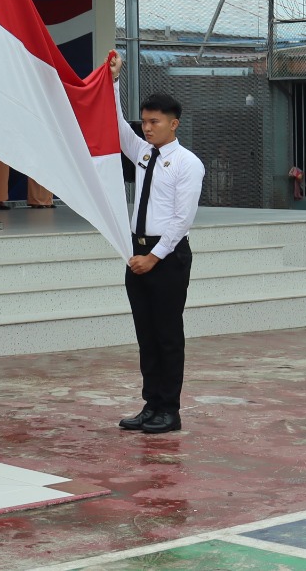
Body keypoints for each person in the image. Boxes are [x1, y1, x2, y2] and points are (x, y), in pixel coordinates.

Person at [109, 52, 205, 435]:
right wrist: (113, 81)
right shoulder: (144, 154)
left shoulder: (187, 163)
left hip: (166, 256)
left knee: (167, 335)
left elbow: (182, 220)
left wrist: (153, 257)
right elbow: (116, 129)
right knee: (145, 335)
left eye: (154, 122)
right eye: (145, 121)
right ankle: (151, 405)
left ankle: (170, 409)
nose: (147, 128)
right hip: (138, 251)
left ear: (173, 123)